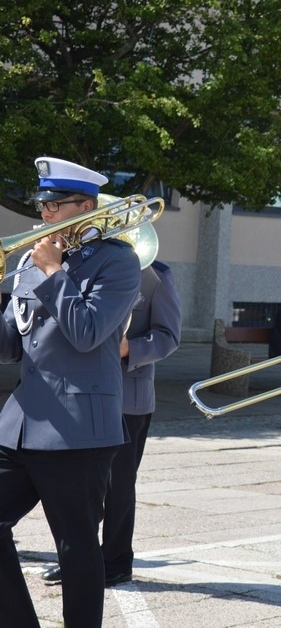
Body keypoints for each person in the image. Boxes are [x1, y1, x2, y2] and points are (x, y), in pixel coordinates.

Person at [0, 157, 141, 628]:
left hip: (79, 431)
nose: (44, 215)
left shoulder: (118, 260)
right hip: (21, 424)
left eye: (55, 205)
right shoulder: (29, 259)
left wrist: (53, 273)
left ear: (86, 206)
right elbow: (9, 348)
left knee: (77, 547)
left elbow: (88, 332)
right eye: (42, 204)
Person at [41, 259, 182, 588]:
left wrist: (130, 347)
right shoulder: (83, 265)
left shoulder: (156, 276)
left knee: (118, 486)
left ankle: (116, 561)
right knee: (78, 481)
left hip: (127, 398)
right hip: (80, 392)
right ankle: (79, 556)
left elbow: (169, 336)